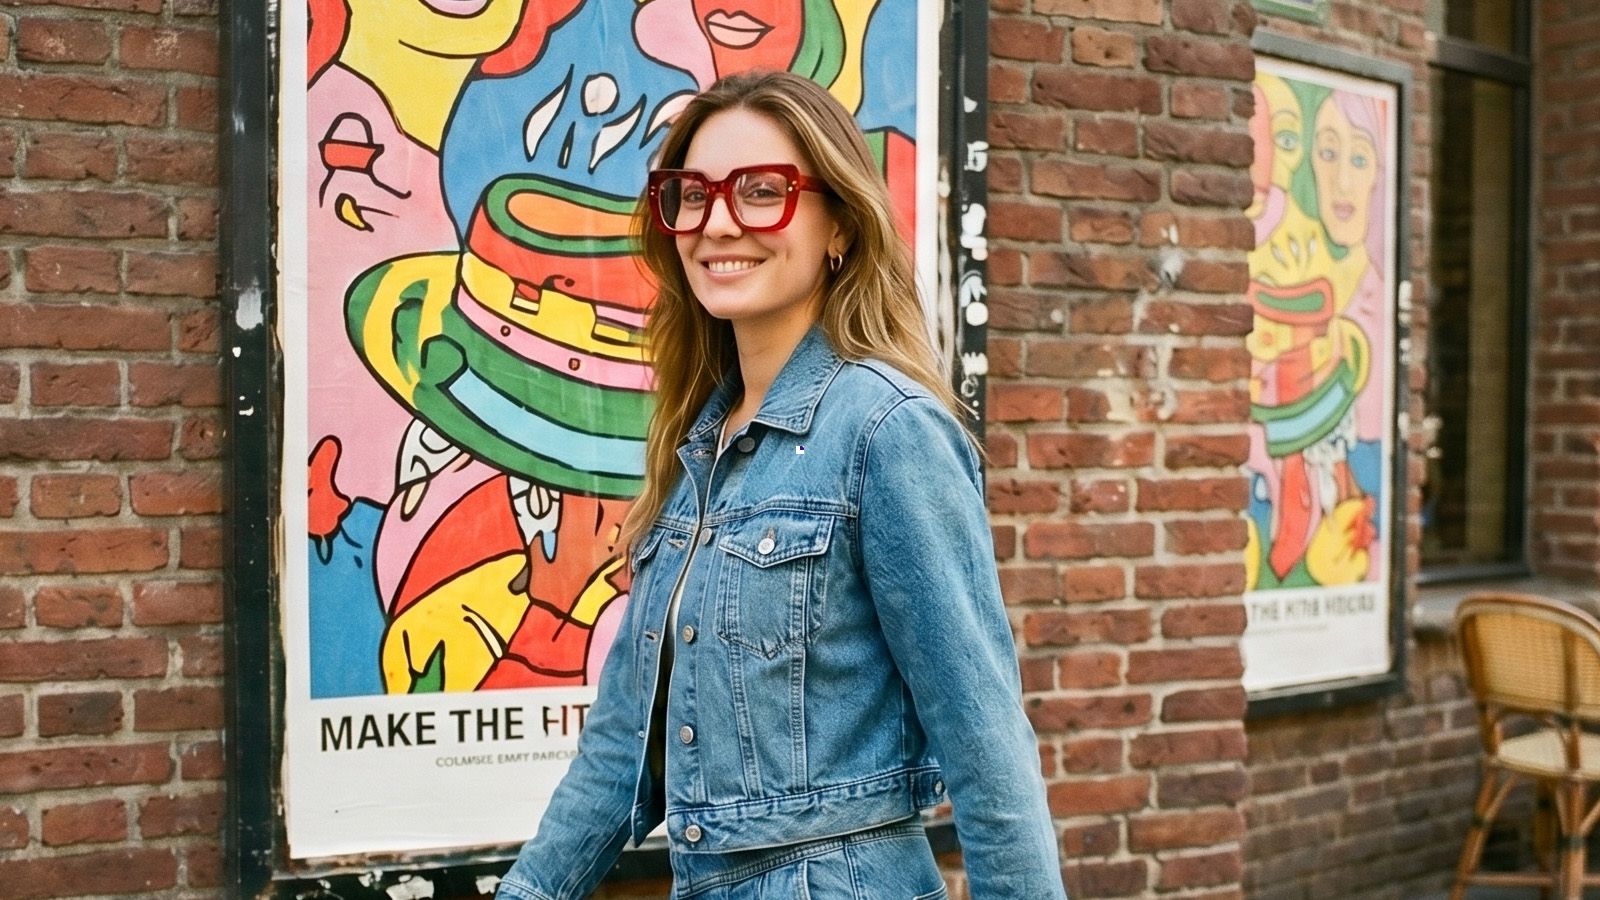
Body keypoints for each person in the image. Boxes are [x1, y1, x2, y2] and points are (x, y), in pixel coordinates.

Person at [496, 70, 1066, 900]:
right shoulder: (696, 449)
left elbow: (987, 746)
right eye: (690, 194)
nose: (718, 221)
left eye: (762, 191)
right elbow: (627, 749)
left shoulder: (887, 429)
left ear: (838, 223)